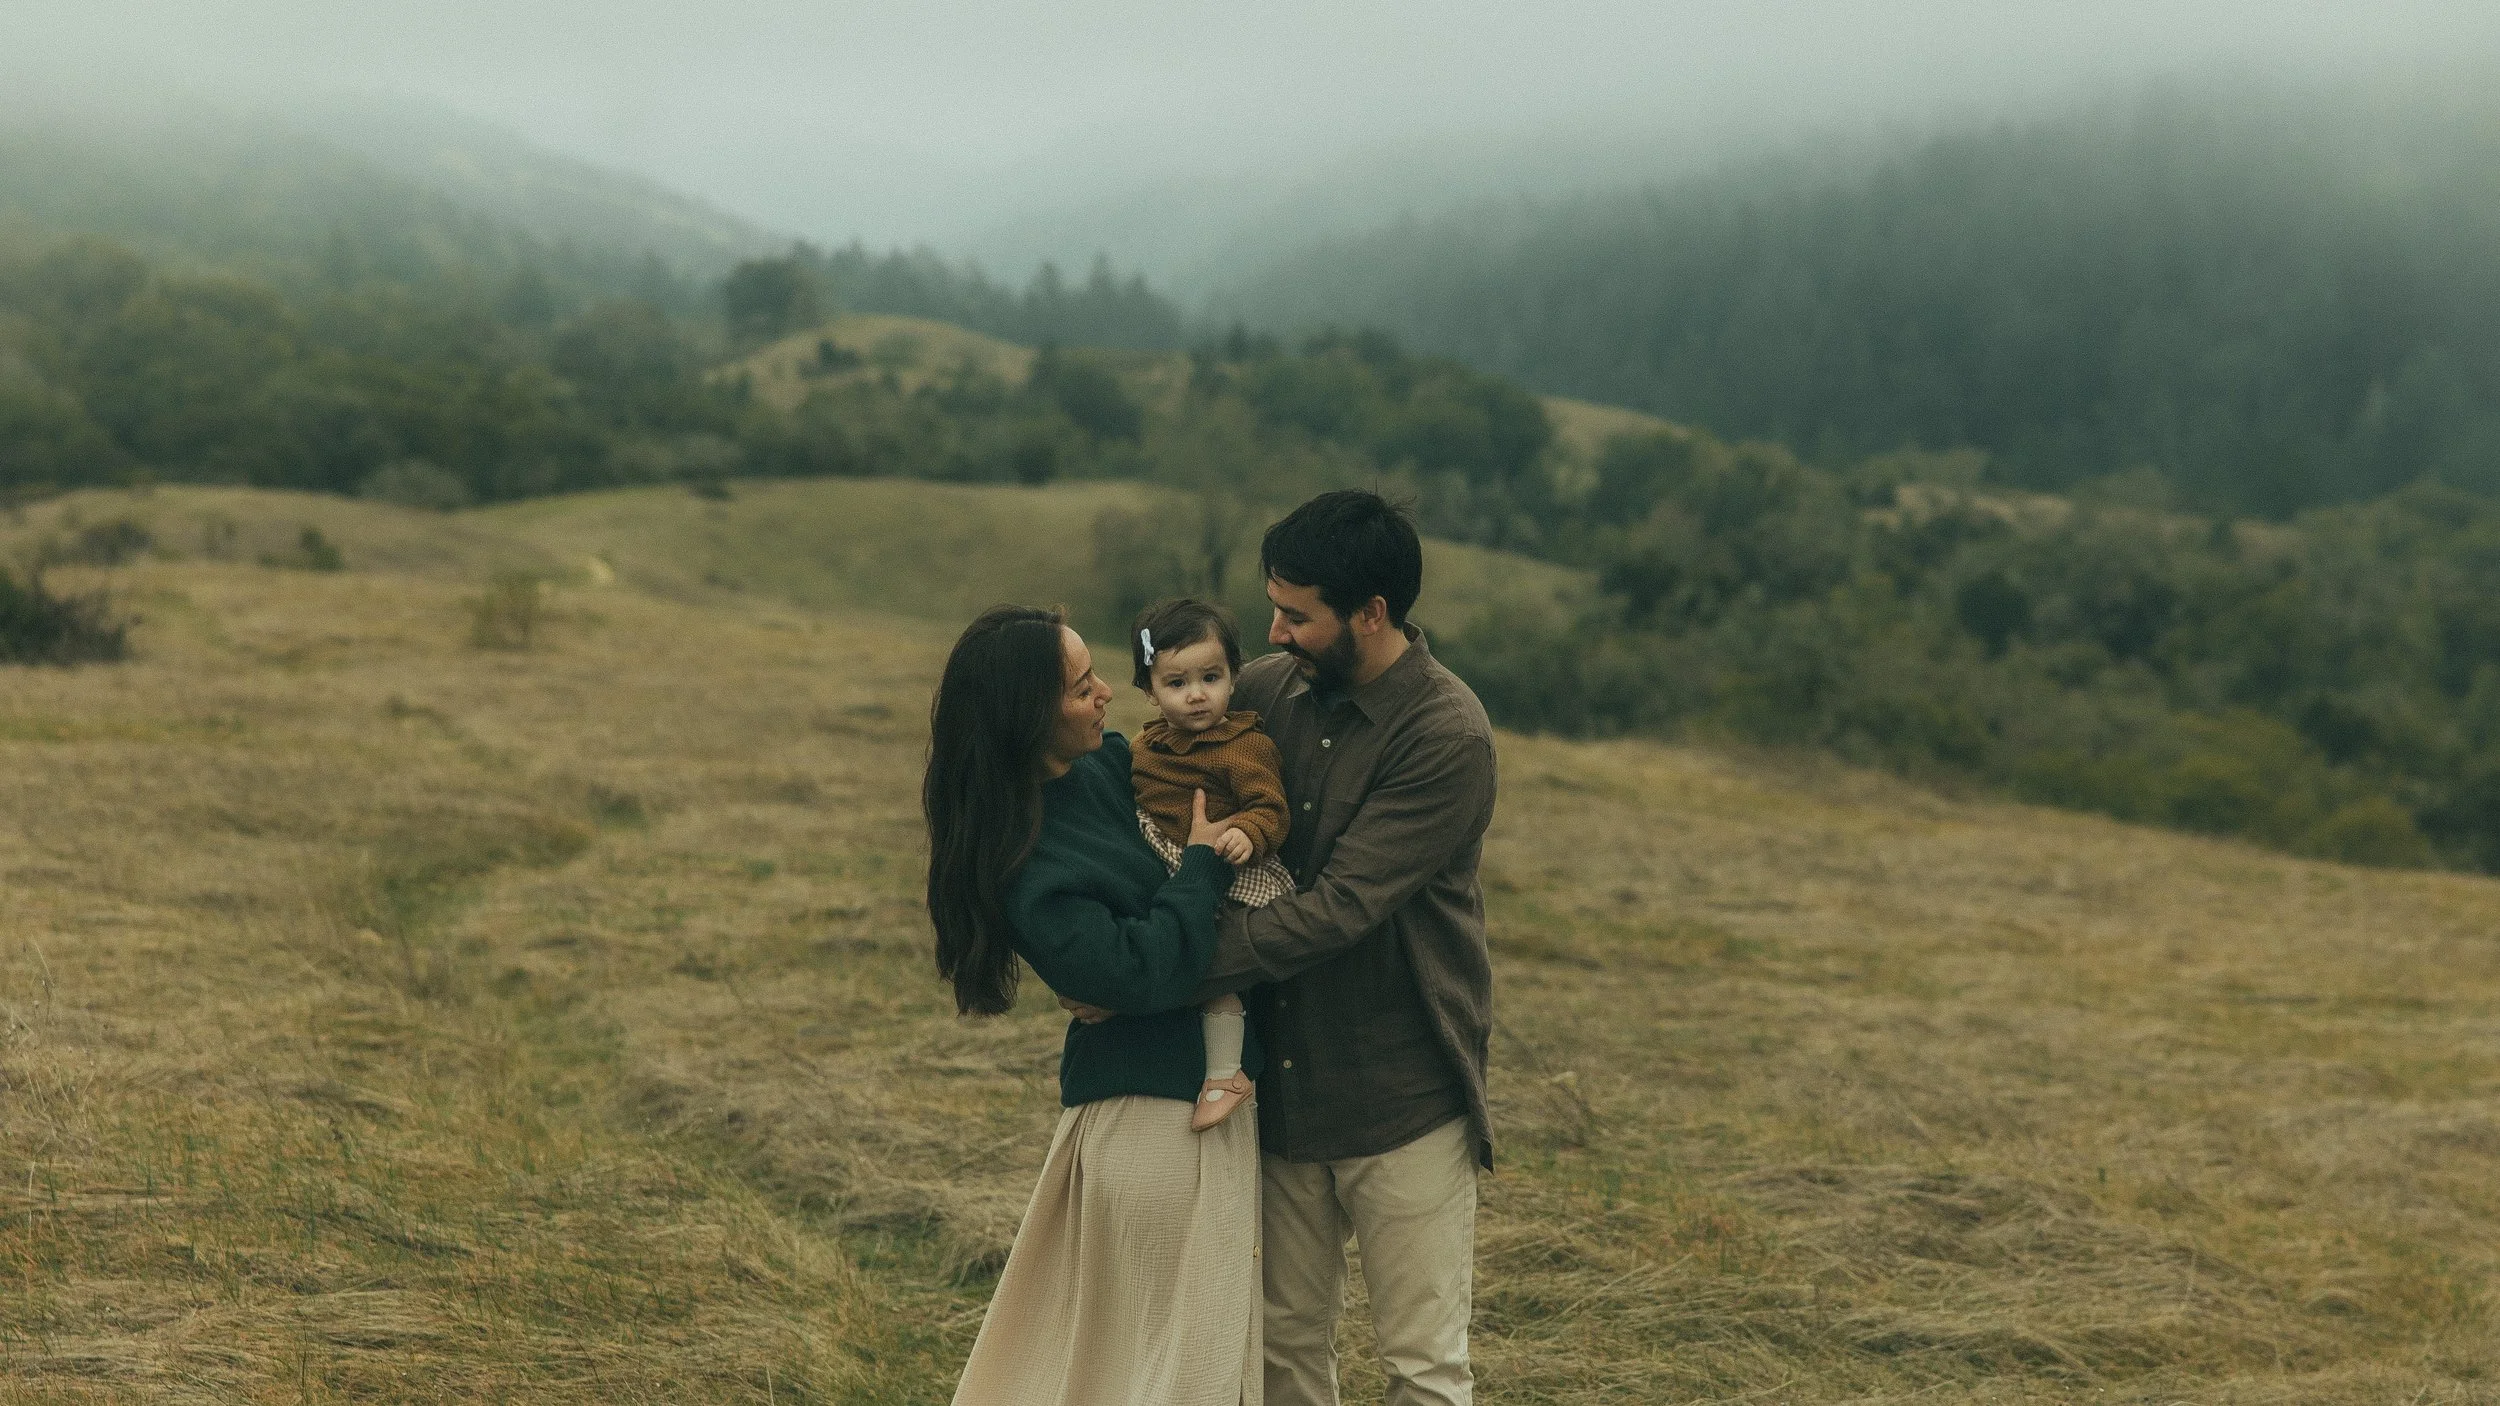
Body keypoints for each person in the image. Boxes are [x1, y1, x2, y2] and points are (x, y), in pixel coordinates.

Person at [1069, 491, 1498, 1406]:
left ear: (1370, 614)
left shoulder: (1446, 735)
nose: (1275, 630)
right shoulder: (1260, 691)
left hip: (1402, 1094)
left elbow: (1340, 909)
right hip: (1283, 1091)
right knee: (1284, 1354)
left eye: (1297, 614)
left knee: (1423, 1367)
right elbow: (1138, 783)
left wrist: (1147, 972)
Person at [924, 604, 1266, 1406]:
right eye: (1083, 688)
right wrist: (1205, 866)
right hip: (1157, 1124)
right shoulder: (1029, 861)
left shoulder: (1111, 770)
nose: (1109, 693)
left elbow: (1142, 960)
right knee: (1175, 1375)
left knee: (1158, 1366)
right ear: (1029, 715)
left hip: (1201, 1102)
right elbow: (1138, 971)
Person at [1126, 596, 1299, 1130]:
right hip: (1169, 861)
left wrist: (1249, 832)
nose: (1197, 695)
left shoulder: (1243, 745)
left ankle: (1227, 1074)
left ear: (1234, 676)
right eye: (1176, 684)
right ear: (1150, 692)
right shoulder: (1146, 746)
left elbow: (1271, 808)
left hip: (1231, 871)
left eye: (1211, 677)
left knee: (1215, 963)